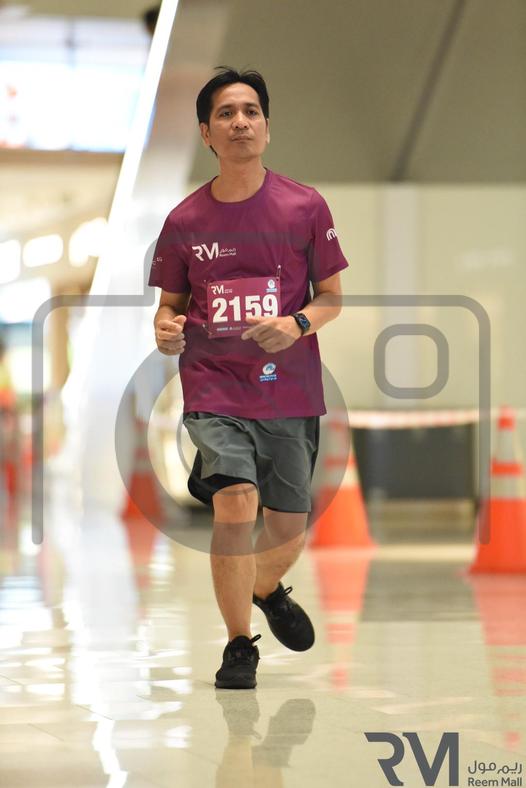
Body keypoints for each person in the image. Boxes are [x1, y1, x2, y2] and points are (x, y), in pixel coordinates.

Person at [149, 67, 349, 689]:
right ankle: (239, 644)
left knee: (287, 525)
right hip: (213, 383)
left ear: (266, 126)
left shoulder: (305, 206)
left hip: (288, 387)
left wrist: (296, 324)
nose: (241, 122)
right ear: (206, 133)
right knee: (235, 501)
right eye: (227, 113)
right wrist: (165, 328)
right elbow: (170, 306)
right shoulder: (184, 220)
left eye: (251, 111)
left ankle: (264, 586)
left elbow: (331, 298)